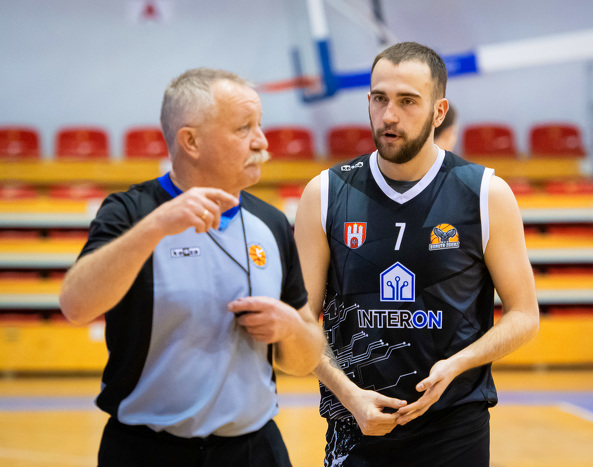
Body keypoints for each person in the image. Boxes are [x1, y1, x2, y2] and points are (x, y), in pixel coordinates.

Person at [59, 67, 325, 467]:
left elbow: (303, 360)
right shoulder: (131, 213)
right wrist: (156, 227)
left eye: (259, 125)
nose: (261, 141)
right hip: (144, 452)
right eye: (244, 128)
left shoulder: (270, 223)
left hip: (254, 451)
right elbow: (75, 306)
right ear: (191, 141)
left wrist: (289, 327)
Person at [294, 42, 539, 466]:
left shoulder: (485, 194)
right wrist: (348, 394)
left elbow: (524, 315)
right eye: (379, 99)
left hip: (454, 431)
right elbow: (299, 322)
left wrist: (459, 364)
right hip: (355, 430)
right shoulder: (325, 193)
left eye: (407, 101)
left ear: (439, 112)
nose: (389, 115)